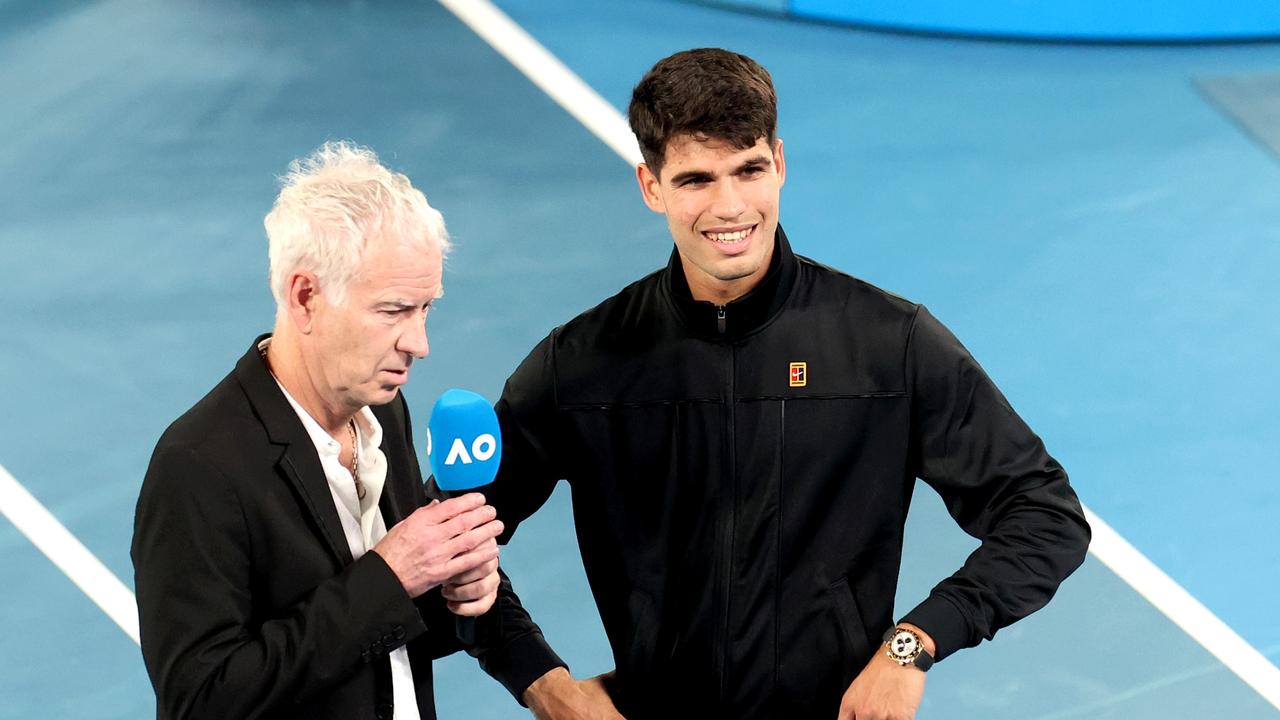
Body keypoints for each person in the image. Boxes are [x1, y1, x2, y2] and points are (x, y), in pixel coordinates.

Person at [482, 49, 1092, 719]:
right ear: (650, 187)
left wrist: (914, 645)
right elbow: (442, 547)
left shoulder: (888, 344)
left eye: (749, 170)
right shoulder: (584, 364)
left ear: (780, 163)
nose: (729, 207)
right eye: (695, 180)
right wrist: (542, 681)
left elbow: (1044, 515)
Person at [131, 142, 564, 720]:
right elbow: (200, 699)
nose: (419, 344)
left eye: (426, 309)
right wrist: (390, 576)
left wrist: (451, 599)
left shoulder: (384, 410)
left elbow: (379, 648)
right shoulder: (199, 465)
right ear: (305, 297)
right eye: (393, 311)